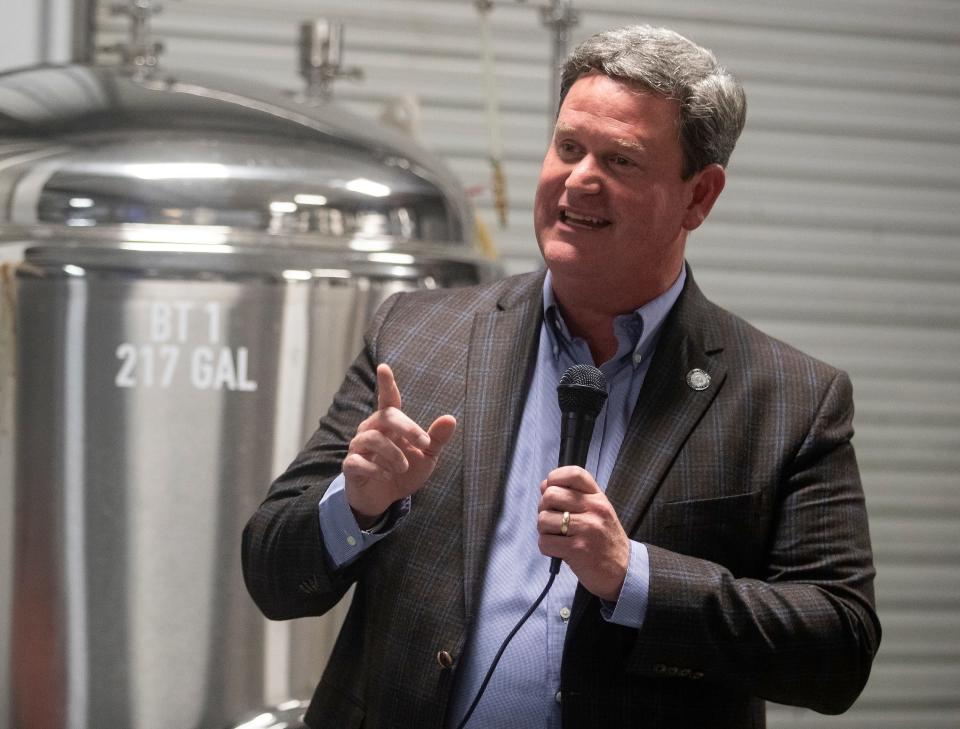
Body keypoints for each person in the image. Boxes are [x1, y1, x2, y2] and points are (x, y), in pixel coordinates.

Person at [242, 25, 880, 729]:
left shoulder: (787, 398)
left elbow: (838, 646)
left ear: (699, 197)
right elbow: (272, 573)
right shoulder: (416, 335)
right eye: (568, 147)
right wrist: (353, 506)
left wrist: (633, 576)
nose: (579, 178)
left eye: (621, 160)